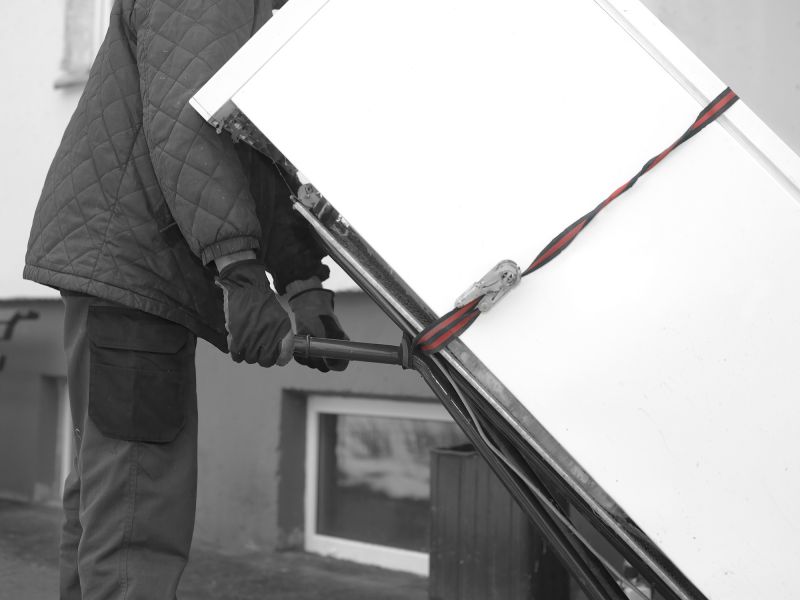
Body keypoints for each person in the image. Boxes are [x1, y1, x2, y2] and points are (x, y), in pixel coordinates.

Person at [23, 1, 347, 598]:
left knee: (110, 497)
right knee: (135, 516)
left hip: (125, 266)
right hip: (135, 270)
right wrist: (240, 271)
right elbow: (190, 123)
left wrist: (302, 282)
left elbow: (251, 146)